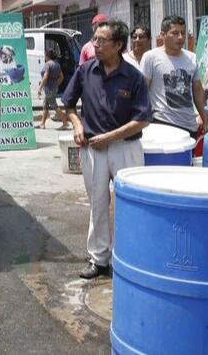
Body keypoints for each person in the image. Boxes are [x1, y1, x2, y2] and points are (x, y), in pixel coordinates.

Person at [61, 19, 152, 279]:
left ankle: (128, 257)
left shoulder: (133, 77)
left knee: (130, 204)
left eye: (102, 41)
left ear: (119, 45)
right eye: (94, 39)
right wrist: (77, 125)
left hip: (126, 148)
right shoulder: (86, 71)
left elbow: (142, 119)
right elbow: (68, 105)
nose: (95, 44)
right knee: (97, 204)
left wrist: (110, 137)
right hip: (92, 150)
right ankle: (99, 259)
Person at [139, 16, 208, 137]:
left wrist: (206, 119)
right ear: (162, 35)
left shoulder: (192, 58)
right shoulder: (151, 57)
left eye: (183, 33)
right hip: (161, 124)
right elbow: (142, 90)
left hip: (189, 125)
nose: (181, 37)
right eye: (175, 33)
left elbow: (198, 90)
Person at [38, 48, 66, 128]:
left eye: (45, 54)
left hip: (49, 88)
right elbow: (61, 77)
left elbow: (45, 76)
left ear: (47, 55)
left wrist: (40, 88)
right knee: (46, 105)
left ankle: (65, 121)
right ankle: (42, 123)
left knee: (54, 105)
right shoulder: (57, 64)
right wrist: (56, 84)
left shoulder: (48, 64)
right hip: (53, 87)